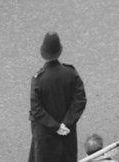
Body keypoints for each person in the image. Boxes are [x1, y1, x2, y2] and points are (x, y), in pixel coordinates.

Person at [29, 31, 88, 162]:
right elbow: (80, 101)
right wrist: (66, 124)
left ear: (43, 52)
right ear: (59, 51)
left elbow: (36, 110)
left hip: (45, 137)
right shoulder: (71, 73)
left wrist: (55, 126)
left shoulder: (38, 80)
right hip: (68, 134)